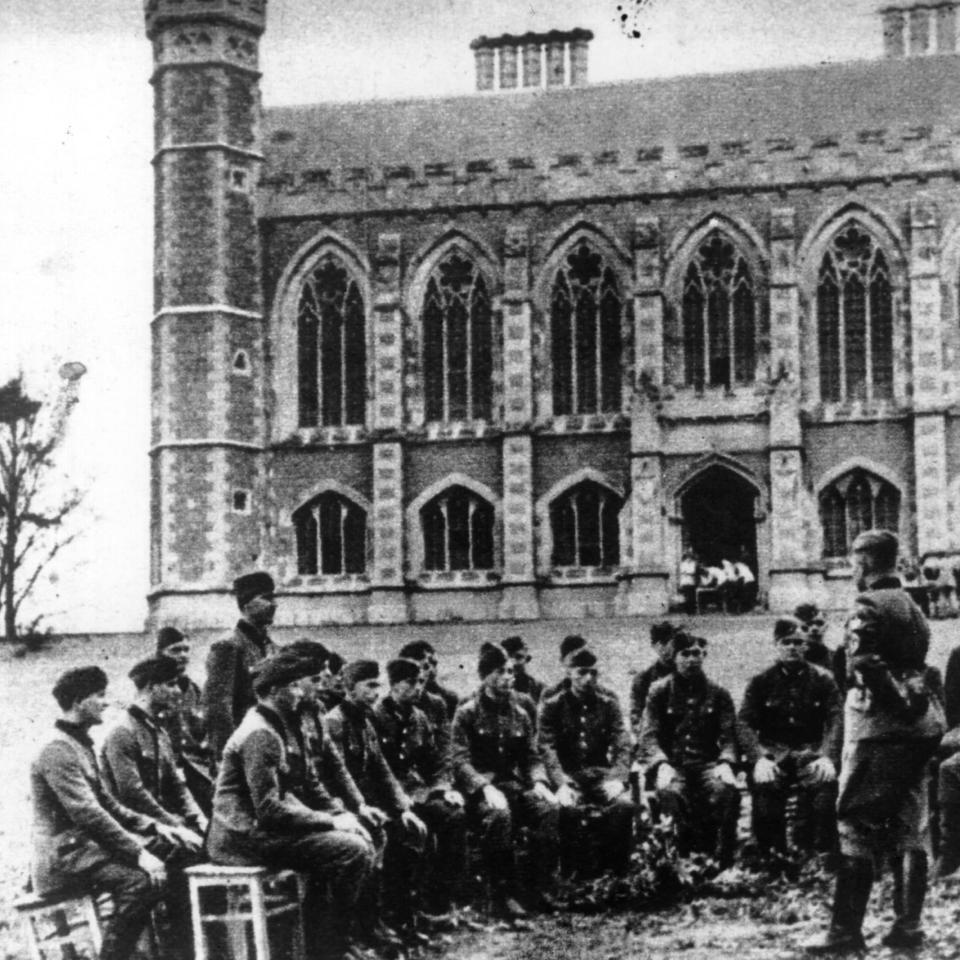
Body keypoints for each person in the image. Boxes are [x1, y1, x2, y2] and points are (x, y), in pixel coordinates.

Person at [806, 530, 945, 954]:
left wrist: (897, 703)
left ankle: (845, 935)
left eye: (854, 560)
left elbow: (863, 662)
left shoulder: (867, 604)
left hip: (881, 731)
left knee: (855, 825)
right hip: (921, 729)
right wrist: (910, 701)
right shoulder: (913, 605)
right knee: (911, 826)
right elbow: (918, 663)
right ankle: (909, 930)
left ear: (864, 562)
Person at [207, 653, 375, 960]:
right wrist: (330, 822)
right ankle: (329, 949)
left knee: (355, 842)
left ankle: (323, 943)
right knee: (351, 850)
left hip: (262, 831)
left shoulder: (279, 725)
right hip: (243, 838)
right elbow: (269, 808)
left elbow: (300, 788)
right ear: (274, 691)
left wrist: (339, 815)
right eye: (294, 688)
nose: (300, 694)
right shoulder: (260, 733)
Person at [30, 667, 172, 960]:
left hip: (84, 851)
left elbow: (109, 804)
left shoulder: (79, 743)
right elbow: (88, 813)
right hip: (62, 859)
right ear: (79, 701)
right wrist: (138, 852)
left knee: (172, 849)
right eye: (100, 695)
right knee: (139, 882)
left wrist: (158, 828)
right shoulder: (56, 749)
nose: (106, 702)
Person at [100, 657, 207, 959]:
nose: (177, 692)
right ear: (150, 687)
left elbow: (177, 784)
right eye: (171, 684)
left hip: (160, 828)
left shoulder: (157, 731)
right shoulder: (122, 732)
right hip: (132, 833)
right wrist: (174, 826)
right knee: (183, 857)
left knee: (205, 845)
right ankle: (176, 950)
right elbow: (132, 793)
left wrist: (198, 819)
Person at [451, 643, 560, 919]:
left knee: (547, 809)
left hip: (511, 786)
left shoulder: (520, 713)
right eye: (501, 672)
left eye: (511, 671)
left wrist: (539, 783)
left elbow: (532, 757)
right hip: (480, 792)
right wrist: (483, 786)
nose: (509, 677)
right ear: (485, 676)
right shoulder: (467, 713)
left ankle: (538, 887)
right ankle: (502, 894)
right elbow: (459, 760)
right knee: (499, 816)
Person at [326, 661, 428, 938]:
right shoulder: (335, 722)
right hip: (344, 807)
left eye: (378, 685)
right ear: (349, 687)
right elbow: (338, 775)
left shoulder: (365, 721)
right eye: (369, 685)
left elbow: (381, 770)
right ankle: (368, 925)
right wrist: (360, 809)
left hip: (368, 805)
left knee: (411, 831)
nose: (376, 692)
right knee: (376, 840)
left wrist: (403, 808)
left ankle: (401, 915)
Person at [738, 618, 841, 858]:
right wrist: (759, 758)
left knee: (825, 795)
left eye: (798, 642)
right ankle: (773, 857)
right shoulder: (761, 681)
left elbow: (837, 720)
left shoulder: (823, 679)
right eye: (786, 642)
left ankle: (819, 857)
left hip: (812, 753)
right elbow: (744, 722)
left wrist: (827, 756)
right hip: (775, 755)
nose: (792, 648)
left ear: (806, 646)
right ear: (776, 645)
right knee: (765, 798)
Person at [637, 632, 740, 868]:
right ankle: (677, 860)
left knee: (726, 791)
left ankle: (724, 860)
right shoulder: (658, 691)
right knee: (670, 794)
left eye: (697, 654)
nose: (692, 659)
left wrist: (725, 761)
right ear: (674, 658)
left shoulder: (718, 692)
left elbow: (729, 735)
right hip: (673, 765)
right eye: (685, 654)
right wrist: (660, 763)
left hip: (708, 764)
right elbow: (649, 734)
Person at [375, 657, 467, 917]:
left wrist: (442, 787)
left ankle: (438, 899)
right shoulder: (376, 717)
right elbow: (376, 770)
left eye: (421, 682)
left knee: (453, 815)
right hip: (387, 797)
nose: (419, 688)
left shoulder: (419, 718)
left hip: (418, 792)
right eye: (412, 682)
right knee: (405, 831)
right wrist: (398, 800)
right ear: (393, 685)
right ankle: (401, 908)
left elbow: (434, 761)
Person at [538, 646, 635, 875]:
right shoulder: (552, 706)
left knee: (623, 806)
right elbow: (546, 748)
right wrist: (560, 783)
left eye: (593, 673)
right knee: (569, 810)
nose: (588, 678)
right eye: (581, 672)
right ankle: (576, 876)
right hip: (569, 777)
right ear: (568, 672)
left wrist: (619, 778)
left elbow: (622, 743)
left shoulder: (608, 704)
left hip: (601, 776)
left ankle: (616, 874)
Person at [204, 571, 278, 763]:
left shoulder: (271, 647)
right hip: (242, 747)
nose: (274, 604)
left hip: (268, 744)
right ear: (246, 604)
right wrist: (226, 756)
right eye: (266, 598)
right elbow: (219, 707)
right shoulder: (228, 646)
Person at [154, 626, 213, 815]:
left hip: (197, 771)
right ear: (160, 653)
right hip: (166, 774)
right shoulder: (153, 690)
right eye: (175, 650)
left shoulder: (193, 689)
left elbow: (204, 732)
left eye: (186, 650)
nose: (182, 655)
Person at [629, 620, 677, 737]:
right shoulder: (643, 678)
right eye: (658, 644)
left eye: (667, 643)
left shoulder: (687, 672)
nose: (663, 649)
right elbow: (636, 715)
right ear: (653, 646)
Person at [502, 635, 544, 703]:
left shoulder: (539, 689)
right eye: (507, 658)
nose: (512, 662)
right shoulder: (494, 690)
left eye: (518, 657)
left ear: (527, 659)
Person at [679, 550, 699, 615]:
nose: (689, 559)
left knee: (692, 597)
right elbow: (682, 571)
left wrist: (687, 572)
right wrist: (687, 572)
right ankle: (687, 611)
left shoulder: (693, 563)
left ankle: (692, 611)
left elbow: (692, 571)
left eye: (690, 557)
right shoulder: (683, 564)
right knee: (686, 597)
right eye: (688, 557)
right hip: (685, 581)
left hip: (691, 582)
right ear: (686, 558)